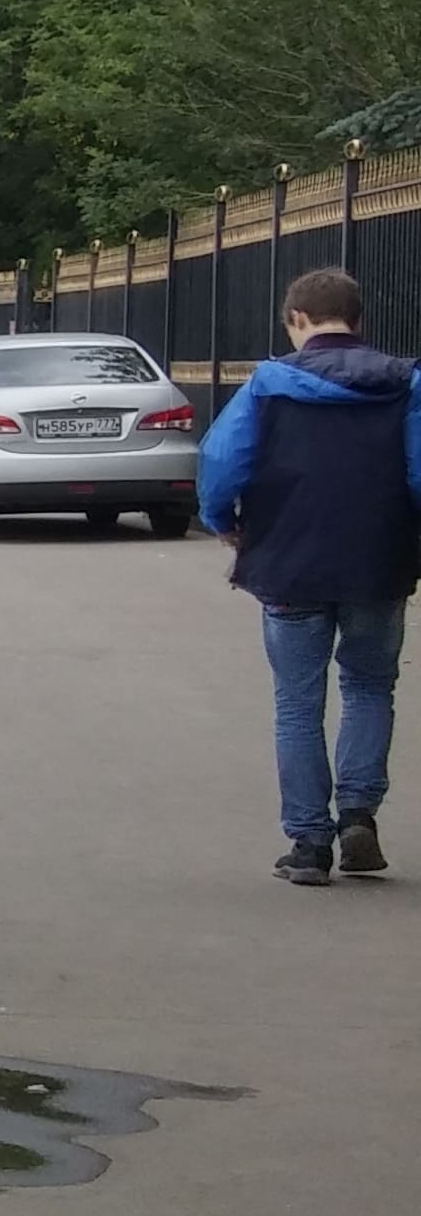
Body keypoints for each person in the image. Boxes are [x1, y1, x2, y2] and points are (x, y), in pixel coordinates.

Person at [195, 268, 418, 885]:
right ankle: (358, 820)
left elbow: (221, 461)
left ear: (295, 320)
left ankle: (309, 844)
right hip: (378, 558)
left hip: (287, 560)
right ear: (359, 319)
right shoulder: (407, 385)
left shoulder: (268, 386)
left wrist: (221, 520)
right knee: (371, 687)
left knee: (297, 701)